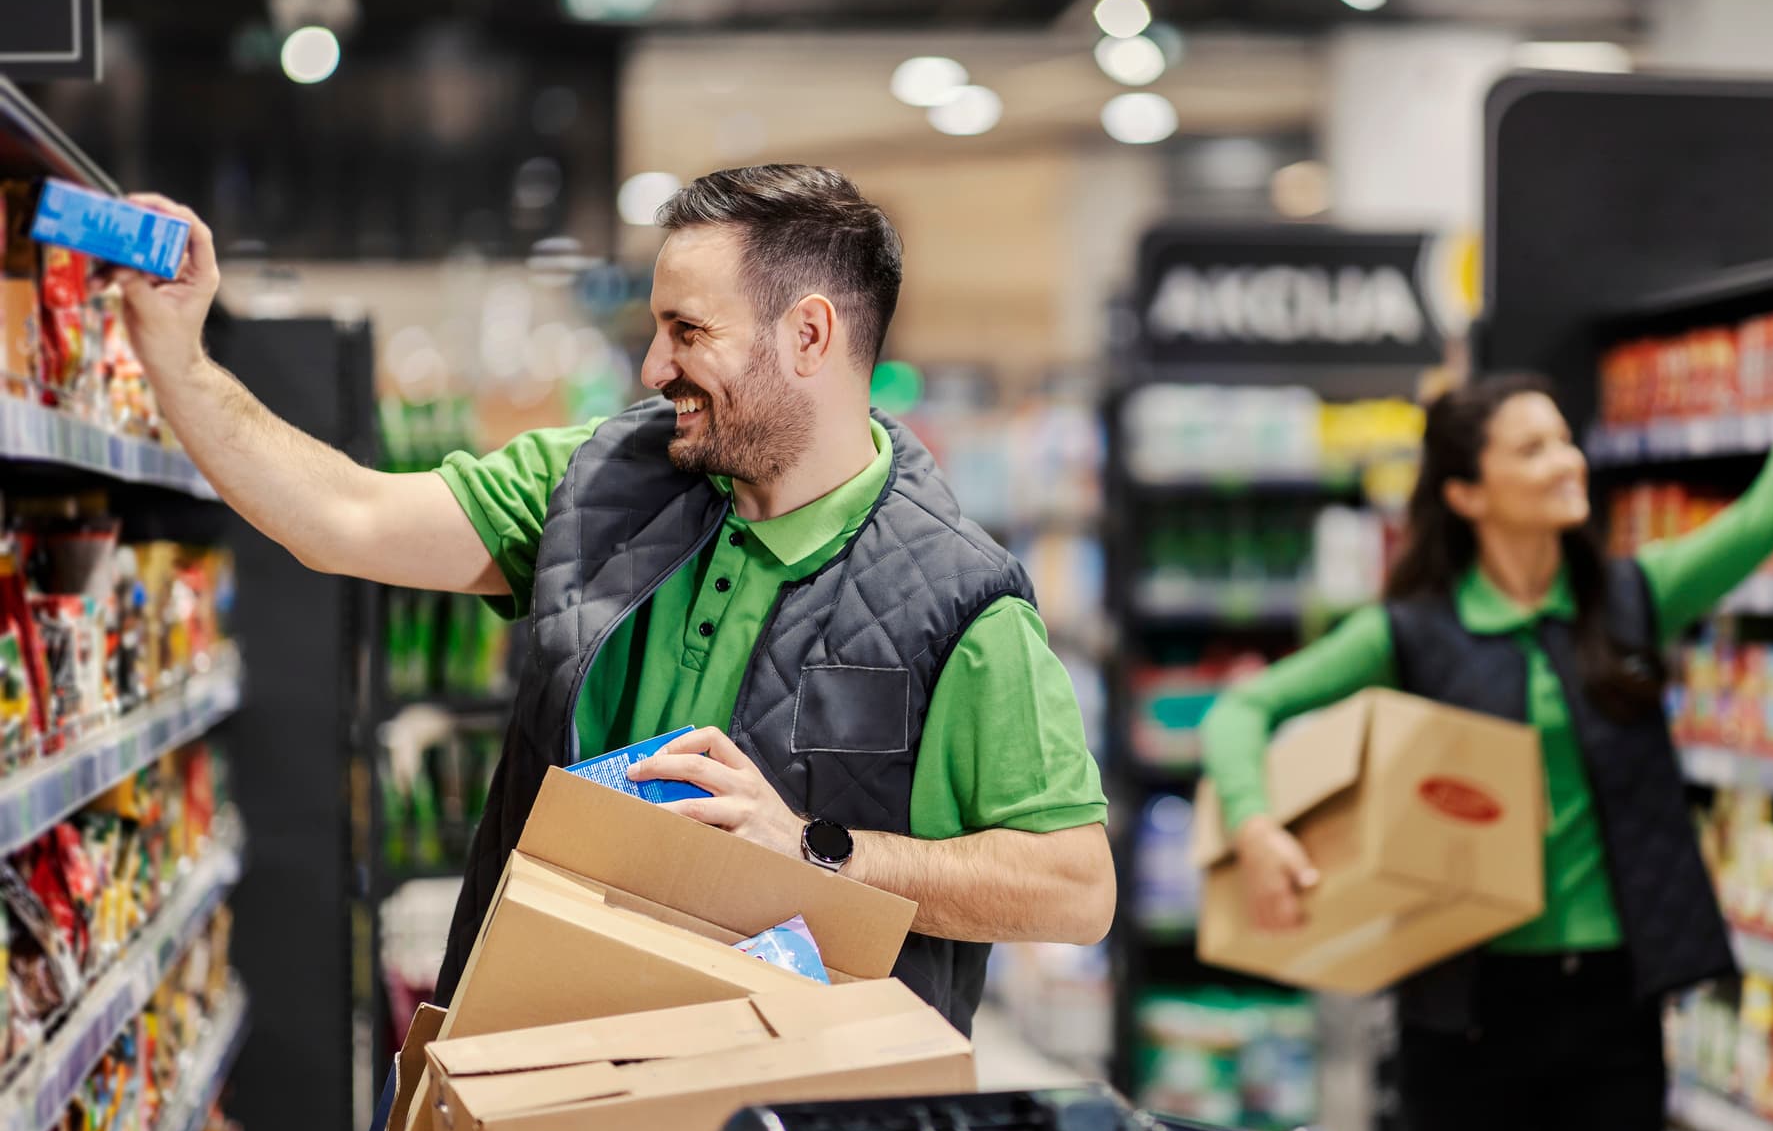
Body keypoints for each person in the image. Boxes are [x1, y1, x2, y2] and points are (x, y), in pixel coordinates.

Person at [103, 166, 1115, 1033]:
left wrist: (816, 850)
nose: (652, 366)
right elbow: (344, 518)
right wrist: (178, 356)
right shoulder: (599, 485)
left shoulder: (960, 601)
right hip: (557, 1089)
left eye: (687, 331)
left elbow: (1074, 888)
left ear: (809, 335)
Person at [1200, 367, 1773, 1131]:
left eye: (1563, 440)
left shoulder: (1630, 600)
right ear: (1465, 492)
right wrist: (1255, 824)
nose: (1566, 461)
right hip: (1465, 1007)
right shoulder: (1411, 631)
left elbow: (1772, 513)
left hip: (1612, 1005)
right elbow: (1244, 709)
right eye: (1532, 448)